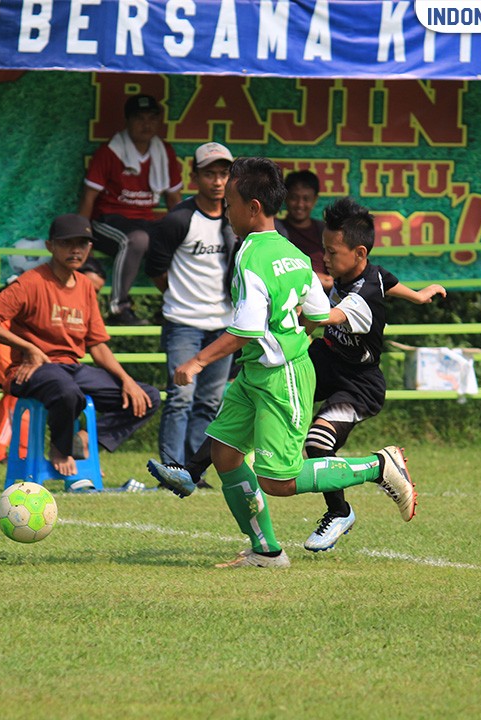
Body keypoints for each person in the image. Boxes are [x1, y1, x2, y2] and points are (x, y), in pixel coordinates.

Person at [149, 157, 416, 569]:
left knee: (279, 480)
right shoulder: (293, 254)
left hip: (278, 377)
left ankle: (379, 466)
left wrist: (197, 363)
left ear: (253, 207)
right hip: (258, 374)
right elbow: (314, 313)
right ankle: (265, 551)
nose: (226, 210)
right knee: (224, 455)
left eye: (232, 202)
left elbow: (246, 331)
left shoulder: (250, 256)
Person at [301, 197, 446, 551]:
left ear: (359, 252)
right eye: (323, 250)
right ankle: (193, 470)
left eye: (332, 253)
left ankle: (340, 512)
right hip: (328, 359)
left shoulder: (362, 297)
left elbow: (324, 318)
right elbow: (389, 282)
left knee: (317, 445)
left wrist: (293, 292)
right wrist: (420, 296)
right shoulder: (370, 273)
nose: (325, 258)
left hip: (358, 384)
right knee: (269, 386)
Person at [0, 214, 159, 476]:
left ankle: (83, 441)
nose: (76, 250)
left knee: (147, 397)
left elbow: (98, 345)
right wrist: (29, 348)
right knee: (66, 389)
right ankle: (60, 450)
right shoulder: (31, 282)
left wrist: (127, 380)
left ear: (90, 248)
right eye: (68, 243)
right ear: (50, 246)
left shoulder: (84, 286)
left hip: (73, 369)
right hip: (32, 371)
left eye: (82, 244)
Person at [145, 142, 238, 476]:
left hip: (225, 325)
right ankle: (172, 467)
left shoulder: (236, 218)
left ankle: (193, 473)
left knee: (210, 403)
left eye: (224, 174)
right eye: (209, 174)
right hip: (183, 323)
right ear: (194, 175)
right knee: (181, 397)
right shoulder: (178, 219)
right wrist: (180, 298)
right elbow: (155, 266)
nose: (217, 181)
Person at [0, 256, 106, 465]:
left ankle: (69, 452)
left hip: (19, 339)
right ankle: (4, 453)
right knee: (15, 391)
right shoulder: (42, 283)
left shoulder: (75, 290)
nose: (93, 294)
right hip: (2, 331)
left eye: (98, 291)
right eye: (93, 288)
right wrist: (28, 349)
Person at [78, 94, 183, 326]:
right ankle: (119, 308)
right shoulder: (110, 151)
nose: (146, 124)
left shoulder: (163, 151)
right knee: (137, 239)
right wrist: (82, 240)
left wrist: (182, 234)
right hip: (108, 221)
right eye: (139, 118)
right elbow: (88, 198)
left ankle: (173, 310)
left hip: (145, 222)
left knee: (181, 241)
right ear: (127, 121)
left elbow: (174, 199)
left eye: (151, 118)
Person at [278, 169, 332, 292]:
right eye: (294, 198)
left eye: (306, 199)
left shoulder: (325, 231)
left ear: (315, 200)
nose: (300, 204)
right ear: (285, 198)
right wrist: (315, 279)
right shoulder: (276, 230)